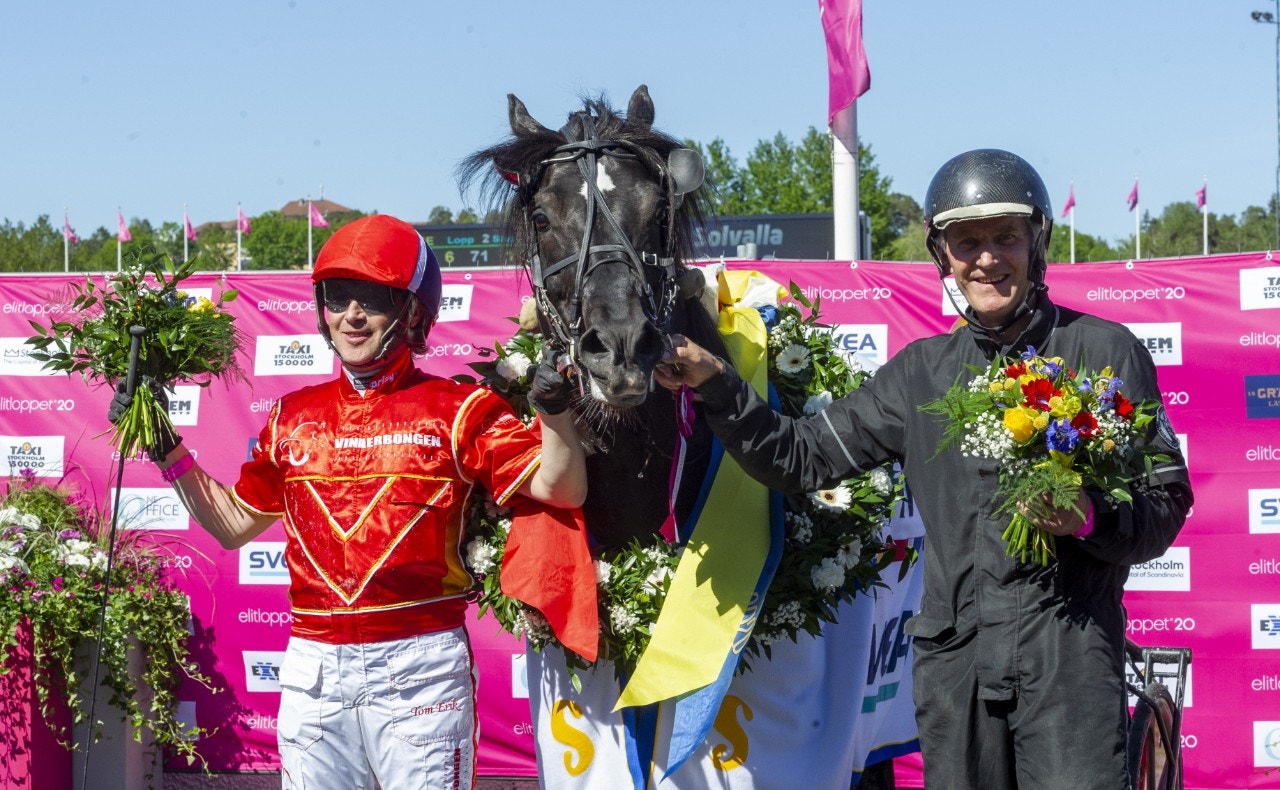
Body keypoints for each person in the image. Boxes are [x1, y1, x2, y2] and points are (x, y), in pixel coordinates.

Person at [654, 149, 1192, 790]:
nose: (987, 258)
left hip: (1068, 654)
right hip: (955, 660)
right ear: (944, 258)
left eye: (1005, 238)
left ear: (1036, 241)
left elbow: (1164, 502)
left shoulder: (1107, 353)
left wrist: (1090, 517)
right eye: (967, 242)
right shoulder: (920, 373)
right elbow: (800, 457)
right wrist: (718, 384)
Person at [108, 214, 586, 789]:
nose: (351, 315)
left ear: (411, 312)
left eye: (372, 297)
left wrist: (555, 412)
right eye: (338, 297)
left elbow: (563, 488)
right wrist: (166, 445)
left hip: (421, 670)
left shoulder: (460, 408)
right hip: (313, 669)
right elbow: (234, 524)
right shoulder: (291, 414)